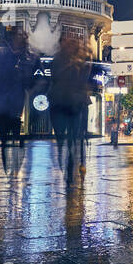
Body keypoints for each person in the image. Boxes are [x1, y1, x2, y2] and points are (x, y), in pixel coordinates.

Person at [0, 24, 36, 171]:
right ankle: (8, 166)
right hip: (0, 104)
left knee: (14, 134)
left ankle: (15, 165)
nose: (21, 39)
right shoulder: (1, 55)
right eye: (19, 36)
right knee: (5, 139)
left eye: (23, 36)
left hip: (15, 103)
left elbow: (31, 78)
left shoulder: (27, 56)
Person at [49, 33, 91, 179]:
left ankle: (73, 164)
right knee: (62, 137)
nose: (70, 44)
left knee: (75, 137)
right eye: (67, 42)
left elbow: (85, 79)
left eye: (72, 42)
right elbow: (54, 78)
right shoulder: (57, 60)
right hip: (60, 103)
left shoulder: (81, 61)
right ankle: (65, 160)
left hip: (76, 104)